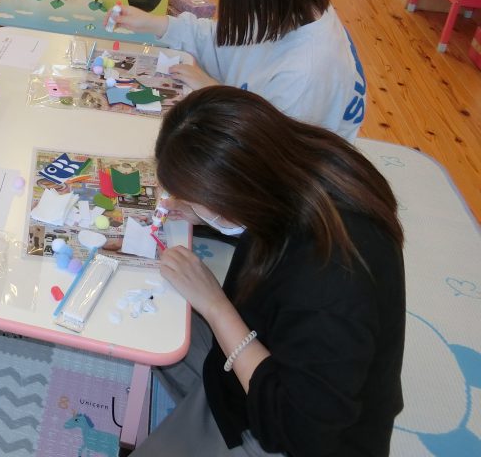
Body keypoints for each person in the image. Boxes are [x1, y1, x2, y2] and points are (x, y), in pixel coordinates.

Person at [138, 86, 405, 456]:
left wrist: (216, 307)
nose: (194, 207)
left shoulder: (326, 285)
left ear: (232, 196)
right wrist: (208, 215)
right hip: (274, 353)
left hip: (298, 434)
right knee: (153, 319)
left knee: (165, 323)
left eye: (200, 200)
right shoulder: (310, 160)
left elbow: (302, 432)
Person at [109, 0, 366, 140]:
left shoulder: (305, 73)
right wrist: (155, 23)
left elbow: (267, 146)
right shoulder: (290, 5)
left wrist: (214, 91)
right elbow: (226, 38)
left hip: (287, 163)